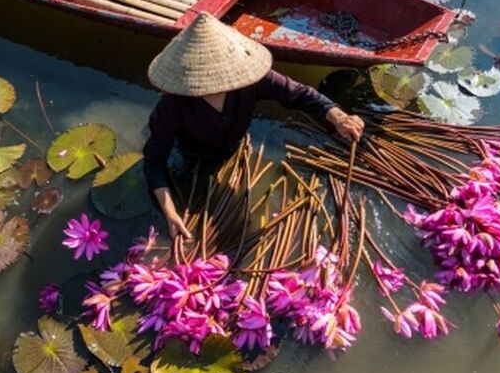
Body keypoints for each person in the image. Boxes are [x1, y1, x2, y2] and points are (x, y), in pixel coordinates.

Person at [143, 12, 364, 239]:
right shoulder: (172, 104)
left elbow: (298, 94)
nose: (213, 84)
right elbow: (153, 162)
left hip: (234, 144)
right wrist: (170, 212)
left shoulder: (249, 79)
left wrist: (338, 117)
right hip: (193, 154)